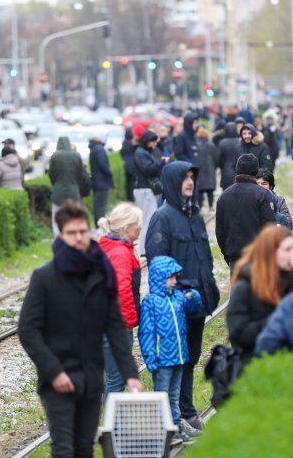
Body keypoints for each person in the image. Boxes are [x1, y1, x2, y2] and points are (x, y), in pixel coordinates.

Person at [18, 201, 142, 457]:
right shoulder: (44, 278)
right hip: (58, 381)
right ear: (60, 236)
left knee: (84, 448)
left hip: (90, 378)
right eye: (71, 233)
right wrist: (53, 371)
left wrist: (130, 373)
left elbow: (115, 325)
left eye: (82, 231)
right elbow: (28, 330)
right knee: (64, 449)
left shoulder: (99, 272)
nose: (78, 238)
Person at [145, 161, 220, 439]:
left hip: (198, 301)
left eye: (192, 177)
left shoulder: (195, 215)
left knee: (191, 357)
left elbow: (205, 255)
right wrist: (174, 295)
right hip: (176, 304)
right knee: (175, 361)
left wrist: (208, 285)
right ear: (172, 182)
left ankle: (186, 411)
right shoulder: (162, 217)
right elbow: (156, 262)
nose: (189, 182)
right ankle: (176, 415)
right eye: (184, 178)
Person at [138, 256, 203, 446]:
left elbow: (194, 308)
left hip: (178, 357)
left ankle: (175, 430)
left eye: (175, 277)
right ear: (160, 278)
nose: (175, 281)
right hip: (162, 359)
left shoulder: (178, 297)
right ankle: (163, 432)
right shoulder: (150, 302)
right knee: (162, 396)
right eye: (171, 277)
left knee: (174, 397)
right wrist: (150, 357)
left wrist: (194, 296)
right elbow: (146, 332)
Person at [227, 225, 293, 363]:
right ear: (271, 253)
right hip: (258, 363)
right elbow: (237, 333)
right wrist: (278, 324)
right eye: (287, 250)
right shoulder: (246, 286)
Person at [98, 204, 143, 396]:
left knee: (110, 378)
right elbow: (122, 290)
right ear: (126, 228)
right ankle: (112, 425)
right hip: (115, 324)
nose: (140, 228)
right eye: (137, 224)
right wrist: (130, 322)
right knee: (115, 381)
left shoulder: (107, 245)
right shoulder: (120, 253)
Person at [216, 154, 276, 271]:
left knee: (238, 288)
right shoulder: (262, 194)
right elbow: (269, 227)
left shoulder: (224, 196)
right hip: (257, 255)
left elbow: (220, 230)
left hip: (234, 255)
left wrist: (227, 253)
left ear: (237, 169)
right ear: (255, 171)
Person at [133, 128, 167, 256]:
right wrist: (161, 162)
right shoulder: (141, 153)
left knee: (146, 218)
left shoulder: (141, 152)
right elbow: (147, 169)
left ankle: (143, 248)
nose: (155, 145)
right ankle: (143, 249)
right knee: (148, 219)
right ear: (147, 141)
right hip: (145, 190)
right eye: (153, 142)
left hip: (144, 189)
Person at [48, 136, 87, 236]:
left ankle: (58, 237)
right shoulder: (76, 156)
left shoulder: (54, 156)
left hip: (58, 192)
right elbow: (80, 175)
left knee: (57, 218)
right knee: (75, 216)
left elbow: (51, 174)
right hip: (73, 192)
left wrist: (56, 184)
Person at [89, 132, 114, 223]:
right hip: (102, 181)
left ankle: (97, 223)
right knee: (101, 205)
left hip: (96, 181)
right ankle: (99, 225)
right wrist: (109, 172)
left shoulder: (94, 148)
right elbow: (103, 164)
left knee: (98, 204)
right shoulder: (100, 149)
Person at [195, 128, 218, 213]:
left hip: (199, 170)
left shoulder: (196, 145)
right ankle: (211, 207)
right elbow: (216, 158)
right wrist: (214, 167)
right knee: (210, 191)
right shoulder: (211, 145)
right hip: (210, 170)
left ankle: (200, 207)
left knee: (200, 191)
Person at [217, 121, 242, 191]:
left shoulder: (222, 142)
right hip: (238, 171)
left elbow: (218, 159)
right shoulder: (240, 142)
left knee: (225, 193)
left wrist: (222, 166)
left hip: (226, 170)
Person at [120, 126, 137, 202]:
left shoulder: (124, 142)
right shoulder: (133, 143)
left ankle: (129, 197)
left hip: (126, 164)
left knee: (128, 182)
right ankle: (132, 197)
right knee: (132, 182)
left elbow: (122, 152)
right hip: (133, 164)